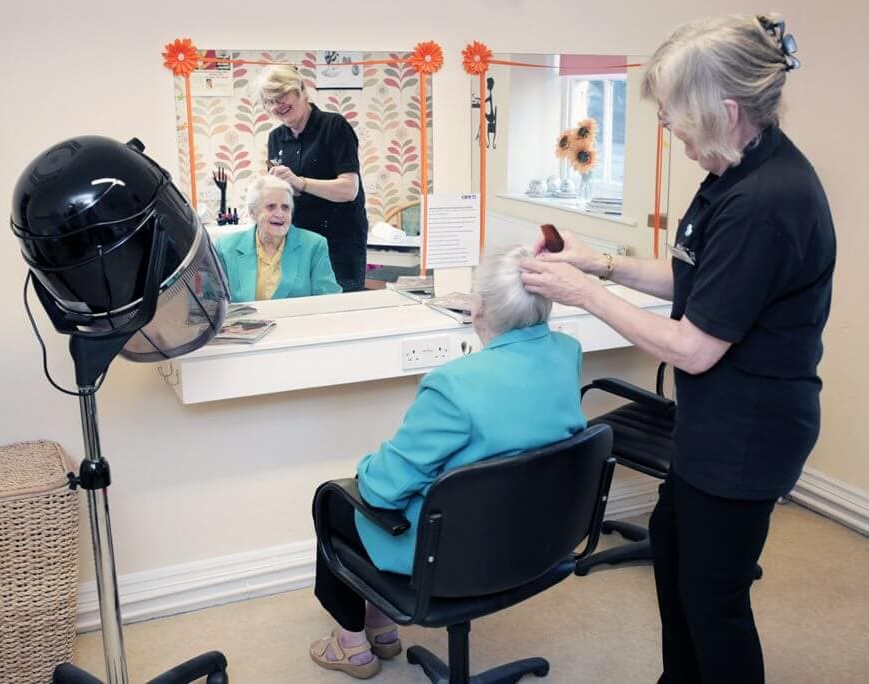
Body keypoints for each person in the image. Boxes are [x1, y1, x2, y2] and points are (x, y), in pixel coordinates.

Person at [520, 14, 835, 683]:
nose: (672, 131)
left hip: (750, 432)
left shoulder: (767, 202)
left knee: (714, 601)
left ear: (724, 110)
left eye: (675, 117)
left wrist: (583, 293)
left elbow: (693, 348)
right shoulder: (733, 169)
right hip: (714, 420)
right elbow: (692, 275)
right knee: (671, 550)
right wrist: (600, 264)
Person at [310, 245, 587, 679]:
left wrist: (365, 467)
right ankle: (380, 625)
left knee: (333, 501)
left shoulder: (453, 384)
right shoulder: (567, 353)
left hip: (459, 554)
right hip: (539, 540)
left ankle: (352, 644)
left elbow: (384, 487)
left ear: (478, 306)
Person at [259, 64, 369, 292]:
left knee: (340, 309)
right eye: (269, 101)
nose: (276, 106)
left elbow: (349, 190)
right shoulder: (276, 138)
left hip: (339, 241)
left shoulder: (334, 127)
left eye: (281, 97)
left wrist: (300, 182)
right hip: (298, 240)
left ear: (301, 90)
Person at [215, 175, 340, 302]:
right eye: (271, 207)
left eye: (285, 207)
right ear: (253, 212)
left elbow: (329, 300)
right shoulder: (225, 248)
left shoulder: (314, 246)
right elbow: (212, 302)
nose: (279, 214)